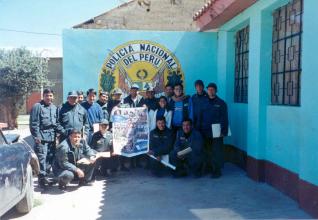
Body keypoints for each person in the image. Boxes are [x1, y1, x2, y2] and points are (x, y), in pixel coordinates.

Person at [29, 88, 66, 188]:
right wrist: (37, 137)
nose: (49, 98)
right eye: (47, 95)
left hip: (52, 137)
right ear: (43, 96)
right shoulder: (38, 106)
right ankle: (42, 180)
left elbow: (56, 124)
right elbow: (34, 124)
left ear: (53, 96)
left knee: (50, 158)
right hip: (41, 138)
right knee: (41, 159)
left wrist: (65, 132)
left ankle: (45, 177)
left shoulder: (54, 108)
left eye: (50, 96)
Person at [198, 83, 228, 178]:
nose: (211, 91)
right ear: (207, 90)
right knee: (207, 151)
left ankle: (216, 171)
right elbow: (200, 116)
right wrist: (199, 129)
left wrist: (224, 131)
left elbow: (225, 118)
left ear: (216, 90)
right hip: (205, 131)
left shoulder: (221, 103)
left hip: (217, 132)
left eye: (212, 89)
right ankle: (208, 168)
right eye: (209, 89)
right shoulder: (204, 102)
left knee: (216, 151)